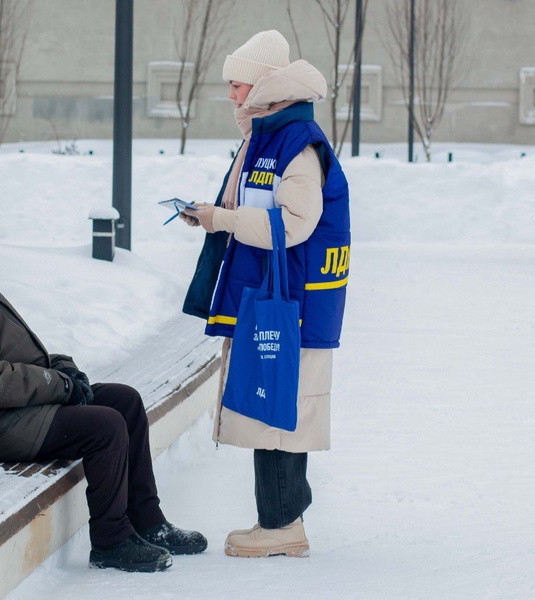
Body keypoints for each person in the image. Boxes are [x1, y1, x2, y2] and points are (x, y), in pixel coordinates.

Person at [0, 179, 207, 573]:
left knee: (124, 400)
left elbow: (7, 349)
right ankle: (111, 540)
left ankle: (149, 521)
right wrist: (58, 385)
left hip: (5, 408)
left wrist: (59, 367)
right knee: (104, 425)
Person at [180, 30, 350, 558]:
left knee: (279, 411)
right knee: (270, 406)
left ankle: (282, 527)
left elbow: (295, 224)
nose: (231, 95)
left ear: (264, 84)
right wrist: (214, 218)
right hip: (276, 297)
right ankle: (278, 522)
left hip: (292, 303)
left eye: (237, 84)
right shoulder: (266, 138)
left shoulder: (296, 142)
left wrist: (222, 219)